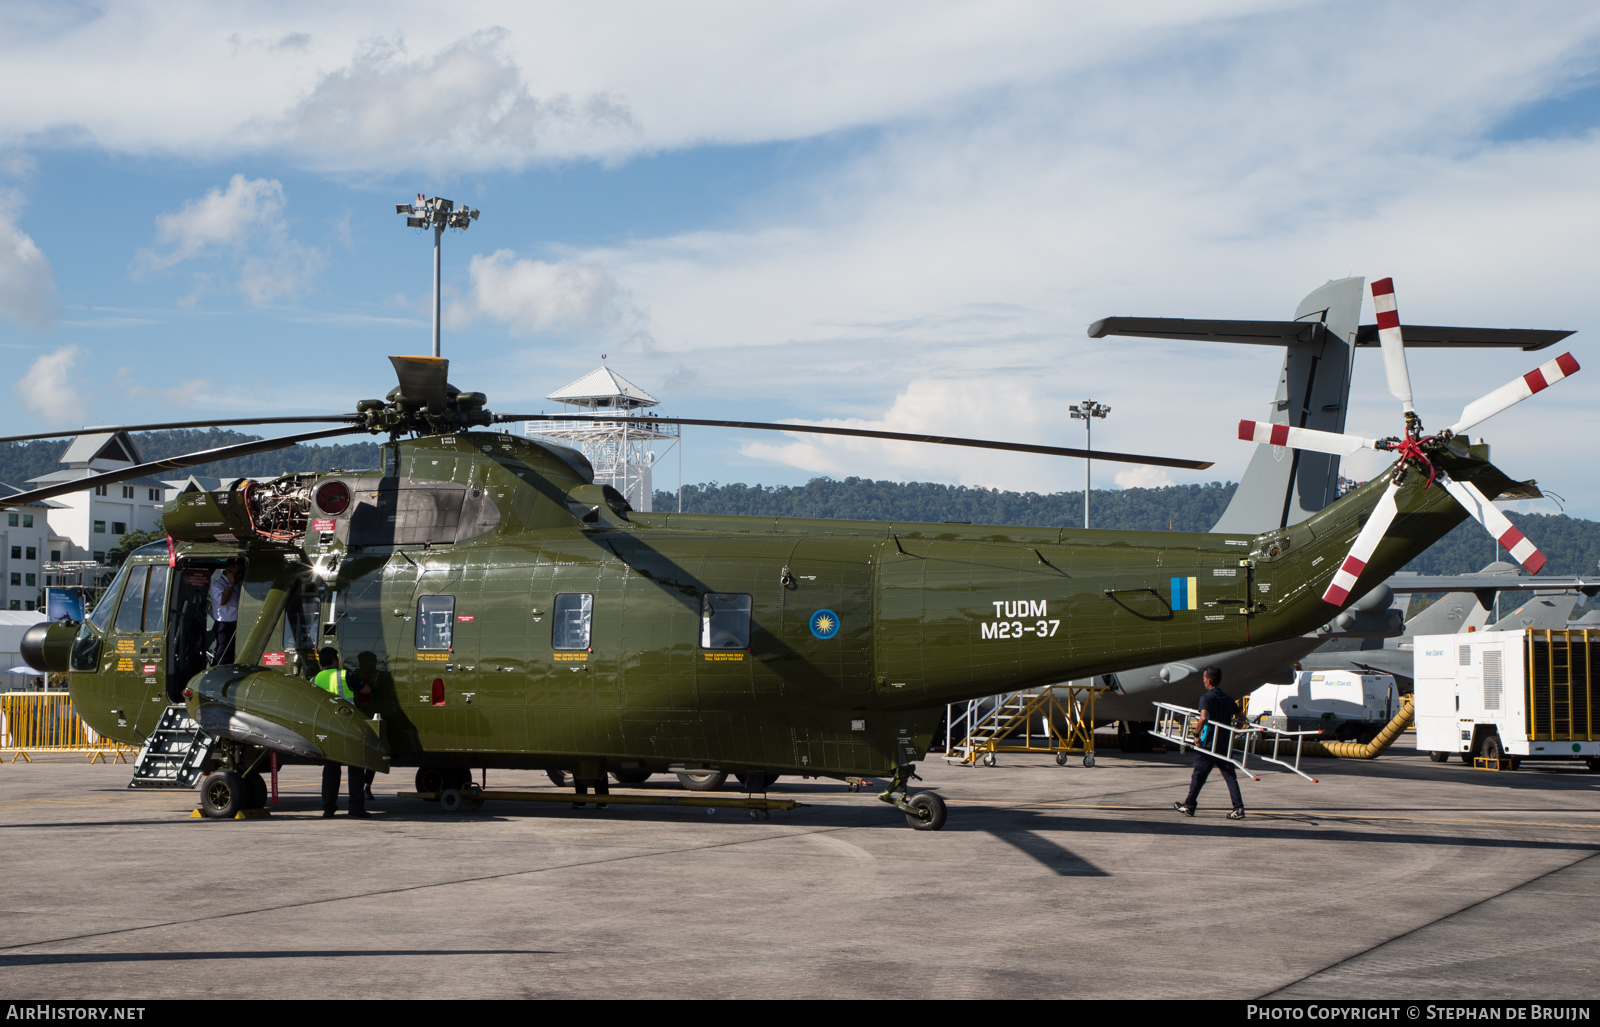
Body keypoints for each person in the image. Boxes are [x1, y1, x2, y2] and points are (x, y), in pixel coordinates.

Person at [1173, 666, 1245, 820]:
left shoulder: (1206, 698)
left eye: (1204, 678)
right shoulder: (1227, 698)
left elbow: (1203, 718)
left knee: (1198, 776)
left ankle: (1189, 806)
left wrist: (1196, 734)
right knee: (1230, 777)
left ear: (1209, 680)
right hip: (1224, 744)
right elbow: (1242, 718)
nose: (1203, 681)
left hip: (1209, 745)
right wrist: (1234, 732)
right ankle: (1238, 808)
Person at [313, 647, 370, 819]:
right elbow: (365, 690)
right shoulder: (345, 675)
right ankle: (356, 808)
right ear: (334, 660)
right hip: (348, 726)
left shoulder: (314, 679)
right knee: (356, 768)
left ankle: (328, 809)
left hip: (328, 727)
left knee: (330, 769)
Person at [208, 560, 245, 666]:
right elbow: (223, 601)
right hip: (225, 623)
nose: (239, 576)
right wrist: (230, 584)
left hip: (237, 622)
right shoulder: (217, 585)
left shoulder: (239, 584)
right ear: (228, 571)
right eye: (237, 573)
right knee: (224, 653)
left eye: (241, 573)